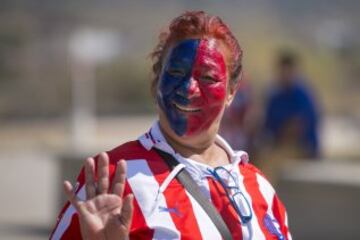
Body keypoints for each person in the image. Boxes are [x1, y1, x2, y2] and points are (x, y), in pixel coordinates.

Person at [50, 11, 292, 240]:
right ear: (156, 81)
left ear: (231, 91)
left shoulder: (258, 186)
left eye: (207, 77)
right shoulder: (114, 179)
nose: (189, 88)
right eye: (176, 72)